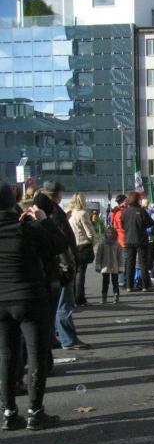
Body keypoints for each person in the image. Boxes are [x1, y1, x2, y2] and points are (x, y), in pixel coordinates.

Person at [1, 183, 67, 431]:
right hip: (29, 297)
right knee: (36, 354)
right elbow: (59, 244)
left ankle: (9, 412)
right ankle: (35, 411)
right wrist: (43, 220)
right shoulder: (25, 226)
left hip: (1, 299)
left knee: (6, 356)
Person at [35, 182, 92, 351]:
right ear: (56, 195)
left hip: (50, 265)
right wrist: (69, 263)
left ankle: (54, 337)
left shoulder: (42, 212)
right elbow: (62, 242)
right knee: (64, 304)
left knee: (55, 304)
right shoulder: (54, 214)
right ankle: (68, 339)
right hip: (61, 264)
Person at [121, 192, 154, 293]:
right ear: (138, 200)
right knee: (143, 263)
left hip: (128, 240)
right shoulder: (141, 211)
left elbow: (122, 225)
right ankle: (145, 286)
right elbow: (150, 223)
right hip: (141, 240)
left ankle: (129, 286)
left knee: (129, 263)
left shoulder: (125, 212)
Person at [67, 192, 96, 306]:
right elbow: (90, 232)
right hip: (83, 244)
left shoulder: (69, 213)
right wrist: (93, 241)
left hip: (72, 244)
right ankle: (80, 298)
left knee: (74, 273)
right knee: (81, 273)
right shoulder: (83, 214)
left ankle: (73, 297)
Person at [95, 226, 123, 304]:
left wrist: (121, 267)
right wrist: (98, 265)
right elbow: (99, 255)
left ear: (115, 234)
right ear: (105, 234)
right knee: (105, 282)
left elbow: (120, 257)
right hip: (105, 266)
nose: (110, 234)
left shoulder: (117, 244)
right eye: (108, 233)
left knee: (115, 282)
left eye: (111, 233)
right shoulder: (102, 244)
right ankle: (104, 297)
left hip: (115, 266)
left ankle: (116, 296)